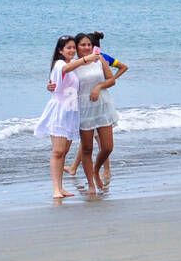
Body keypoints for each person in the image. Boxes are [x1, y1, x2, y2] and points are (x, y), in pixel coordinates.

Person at [34, 35, 100, 199]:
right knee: (57, 151)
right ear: (60, 50)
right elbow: (64, 71)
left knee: (64, 152)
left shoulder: (71, 65)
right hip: (60, 111)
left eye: (73, 47)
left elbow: (60, 82)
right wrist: (87, 59)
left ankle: (61, 187)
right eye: (68, 48)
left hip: (72, 112)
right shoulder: (60, 64)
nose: (71, 50)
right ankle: (56, 189)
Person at [71, 32, 118, 194]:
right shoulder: (73, 65)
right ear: (76, 47)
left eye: (89, 45)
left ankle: (96, 169)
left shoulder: (99, 59)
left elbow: (111, 80)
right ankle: (91, 183)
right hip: (83, 109)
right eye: (82, 45)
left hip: (102, 106)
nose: (86, 47)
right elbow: (62, 85)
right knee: (87, 149)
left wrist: (98, 87)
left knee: (108, 147)